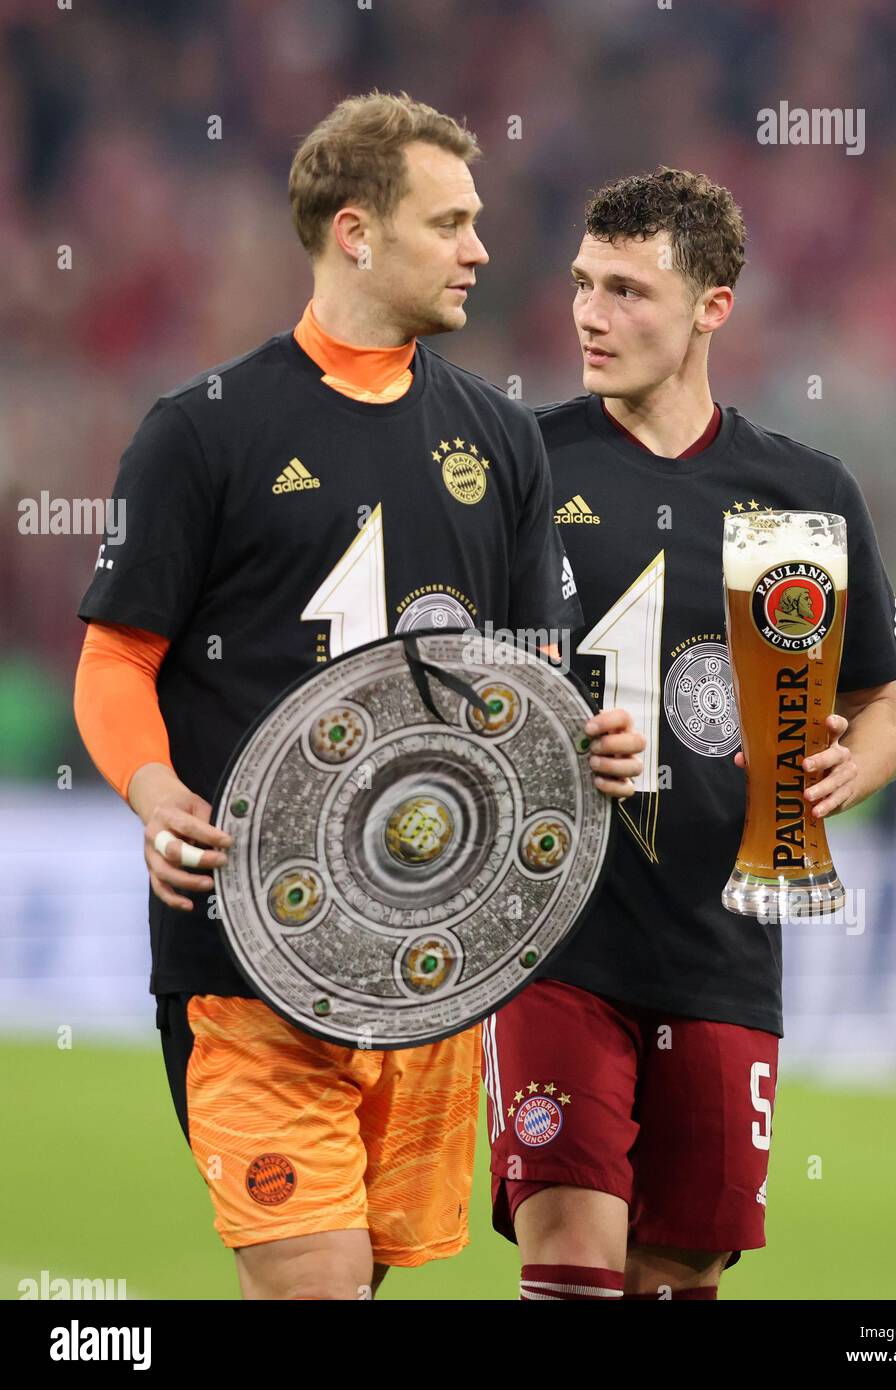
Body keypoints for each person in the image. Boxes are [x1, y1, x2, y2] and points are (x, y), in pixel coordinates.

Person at [73, 91, 643, 1302]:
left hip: (428, 965)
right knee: (315, 1285)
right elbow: (116, 658)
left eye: (477, 221)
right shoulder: (200, 431)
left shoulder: (499, 437)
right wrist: (152, 785)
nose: (481, 248)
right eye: (450, 222)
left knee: (365, 1282)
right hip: (246, 955)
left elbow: (533, 672)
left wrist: (587, 733)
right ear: (354, 231)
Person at [481, 167, 896, 1300]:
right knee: (570, 1242)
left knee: (674, 1271)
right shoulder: (519, 466)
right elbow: (442, 676)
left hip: (723, 946)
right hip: (553, 939)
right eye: (582, 284)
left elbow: (881, 713)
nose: (588, 314)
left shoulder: (800, 493)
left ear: (711, 308)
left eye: (626, 290)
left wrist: (846, 768)